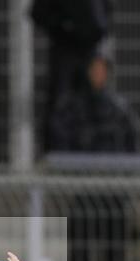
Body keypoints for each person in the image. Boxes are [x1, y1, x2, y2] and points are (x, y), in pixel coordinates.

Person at [48, 51, 139, 261]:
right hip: (84, 185)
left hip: (112, 185)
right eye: (93, 69)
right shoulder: (73, 108)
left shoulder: (118, 108)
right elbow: (61, 140)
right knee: (81, 238)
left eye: (102, 69)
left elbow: (130, 146)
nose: (98, 75)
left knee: (114, 236)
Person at [31, 0, 112, 151]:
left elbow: (105, 12)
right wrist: (64, 26)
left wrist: (98, 32)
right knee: (61, 105)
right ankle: (57, 155)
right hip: (65, 51)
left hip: (91, 50)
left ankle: (94, 154)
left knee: (94, 104)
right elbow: (38, 13)